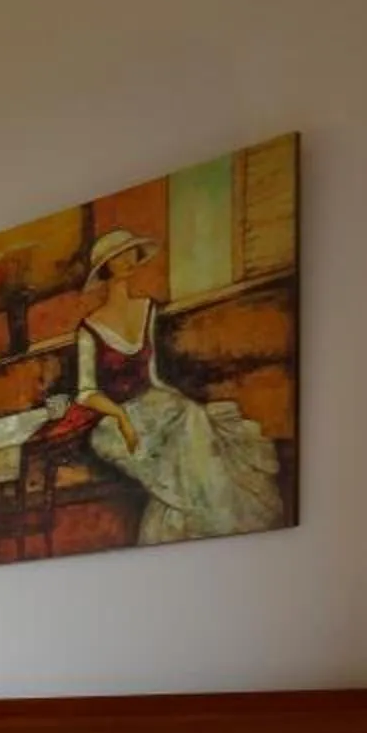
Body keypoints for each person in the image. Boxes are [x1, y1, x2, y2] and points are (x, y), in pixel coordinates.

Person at [72, 229, 285, 543]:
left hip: (153, 402)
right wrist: (122, 419)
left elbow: (154, 374)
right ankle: (210, 518)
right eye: (120, 255)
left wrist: (177, 402)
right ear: (106, 267)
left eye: (132, 252)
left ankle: (207, 518)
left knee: (193, 418)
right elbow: (86, 392)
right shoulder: (89, 328)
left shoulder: (147, 308)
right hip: (114, 417)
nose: (129, 259)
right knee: (184, 427)